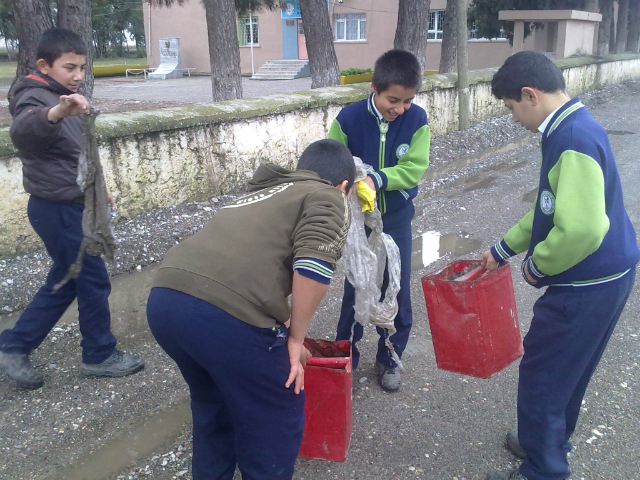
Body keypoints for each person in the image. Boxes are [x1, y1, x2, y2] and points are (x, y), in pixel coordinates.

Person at [146, 139, 355, 480]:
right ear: (344, 185)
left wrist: (286, 323)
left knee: (215, 403)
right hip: (221, 315)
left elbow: (249, 270)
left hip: (166, 300)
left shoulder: (266, 192)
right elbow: (313, 267)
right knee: (277, 411)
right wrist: (295, 339)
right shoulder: (329, 195)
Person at [481, 51, 639, 480]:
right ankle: (545, 441)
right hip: (612, 275)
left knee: (544, 374)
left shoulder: (570, 138)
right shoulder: (572, 125)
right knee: (570, 370)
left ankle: (544, 470)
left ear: (530, 95)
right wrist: (504, 247)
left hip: (587, 284)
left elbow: (583, 229)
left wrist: (539, 266)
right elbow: (552, 206)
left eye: (512, 108)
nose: (513, 118)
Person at [0, 28, 144, 390]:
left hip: (75, 205)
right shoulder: (34, 96)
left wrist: (101, 190)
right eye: (70, 67)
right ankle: (99, 355)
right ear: (44, 65)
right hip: (58, 210)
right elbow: (25, 131)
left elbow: (80, 154)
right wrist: (58, 111)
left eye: (82, 67)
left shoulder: (64, 93)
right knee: (92, 281)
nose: (78, 75)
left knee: (67, 280)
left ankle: (13, 345)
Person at [329, 49, 430, 391]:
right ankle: (345, 359)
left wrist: (379, 180)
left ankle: (390, 359)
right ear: (373, 86)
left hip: (396, 220)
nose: (399, 108)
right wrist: (350, 187)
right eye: (393, 99)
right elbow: (333, 164)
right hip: (358, 224)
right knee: (357, 286)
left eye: (407, 101)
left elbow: (414, 168)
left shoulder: (417, 121)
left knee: (395, 287)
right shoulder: (348, 119)